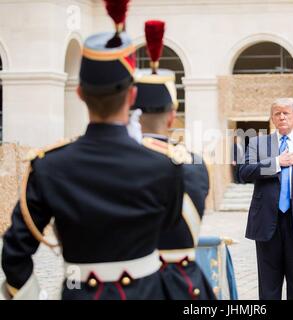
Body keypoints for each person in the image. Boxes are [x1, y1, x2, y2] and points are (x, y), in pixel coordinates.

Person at [1, 2, 183, 300]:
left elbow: (14, 253)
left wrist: (35, 296)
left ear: (80, 92)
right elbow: (169, 226)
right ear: (133, 94)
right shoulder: (164, 165)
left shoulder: (49, 166)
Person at [129, 20, 216, 300]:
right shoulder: (195, 163)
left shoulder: (124, 163)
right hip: (186, 287)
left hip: (135, 284)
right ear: (171, 116)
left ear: (136, 116)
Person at [239, 97, 293, 300]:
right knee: (268, 287)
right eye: (277, 113)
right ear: (272, 118)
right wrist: (277, 162)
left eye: (286, 112)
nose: (282, 117)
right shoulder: (257, 143)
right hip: (266, 223)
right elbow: (244, 172)